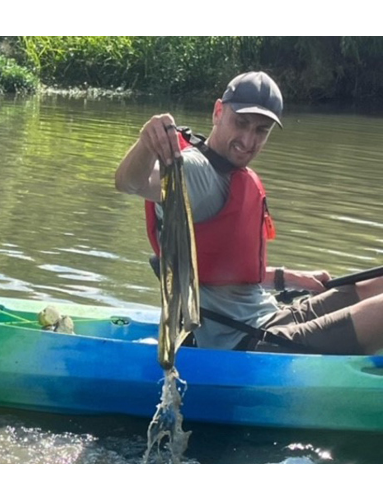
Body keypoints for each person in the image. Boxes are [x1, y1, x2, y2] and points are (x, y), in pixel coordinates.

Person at [115, 71, 383, 355]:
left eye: (261, 130)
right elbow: (131, 183)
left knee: (374, 285)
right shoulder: (197, 172)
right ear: (218, 111)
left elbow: (224, 273)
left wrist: (289, 276)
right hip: (245, 344)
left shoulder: (232, 173)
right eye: (240, 123)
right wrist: (146, 143)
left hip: (271, 317)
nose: (248, 139)